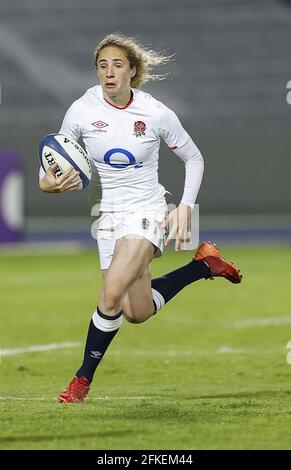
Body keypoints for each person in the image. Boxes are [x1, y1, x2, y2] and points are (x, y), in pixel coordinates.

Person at [39, 33, 242, 403]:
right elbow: (52, 165)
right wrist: (51, 184)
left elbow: (194, 158)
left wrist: (184, 206)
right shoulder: (81, 110)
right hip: (107, 215)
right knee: (136, 311)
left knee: (110, 293)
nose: (109, 73)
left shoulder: (155, 112)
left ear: (133, 71)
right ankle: (203, 265)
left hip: (148, 210)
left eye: (117, 65)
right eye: (103, 66)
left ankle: (81, 380)